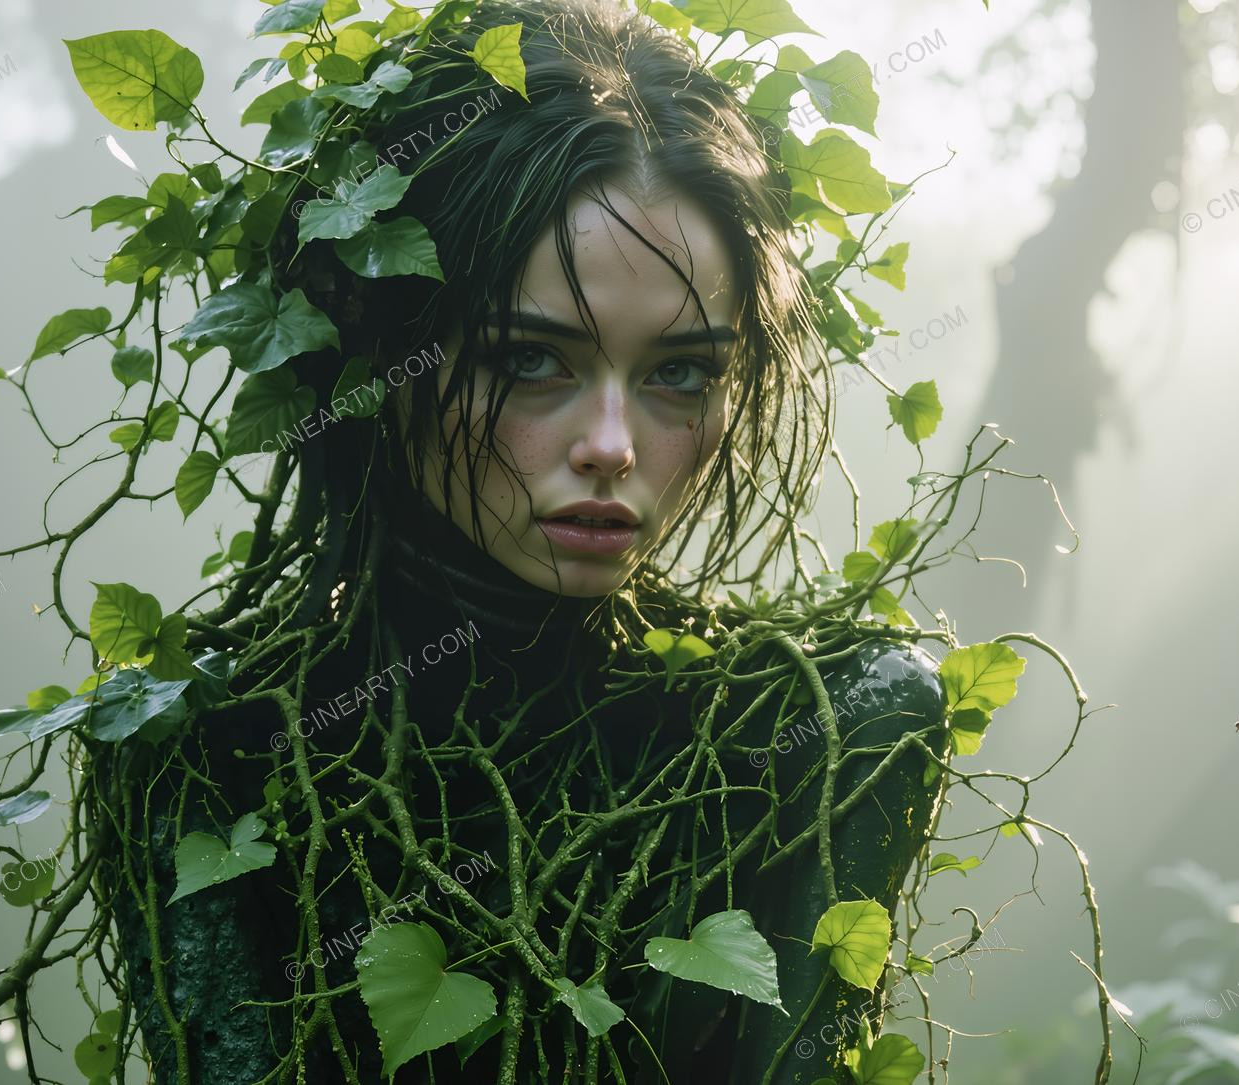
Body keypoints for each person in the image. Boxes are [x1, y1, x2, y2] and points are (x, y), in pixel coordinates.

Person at [107, 2, 949, 1081]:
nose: (610, 445)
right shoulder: (200, 747)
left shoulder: (828, 724)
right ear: (377, 351)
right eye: (529, 360)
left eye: (679, 372)